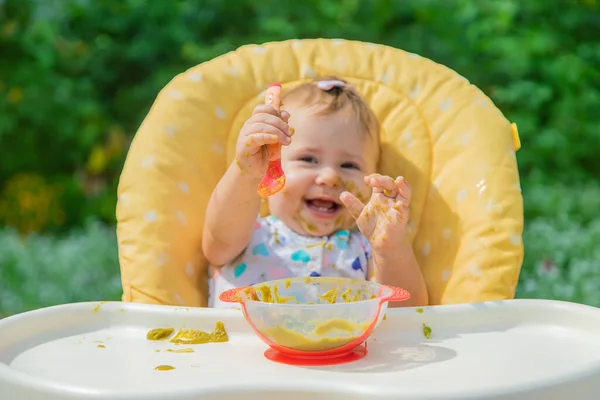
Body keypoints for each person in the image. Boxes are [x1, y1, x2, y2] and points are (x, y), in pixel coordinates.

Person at [203, 76, 428, 308]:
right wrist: (245, 173)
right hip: (239, 343)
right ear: (269, 166)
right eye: (308, 159)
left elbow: (410, 311)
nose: (329, 177)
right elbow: (216, 246)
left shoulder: (367, 250)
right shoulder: (249, 232)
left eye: (349, 165)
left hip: (342, 345)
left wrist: (390, 248)